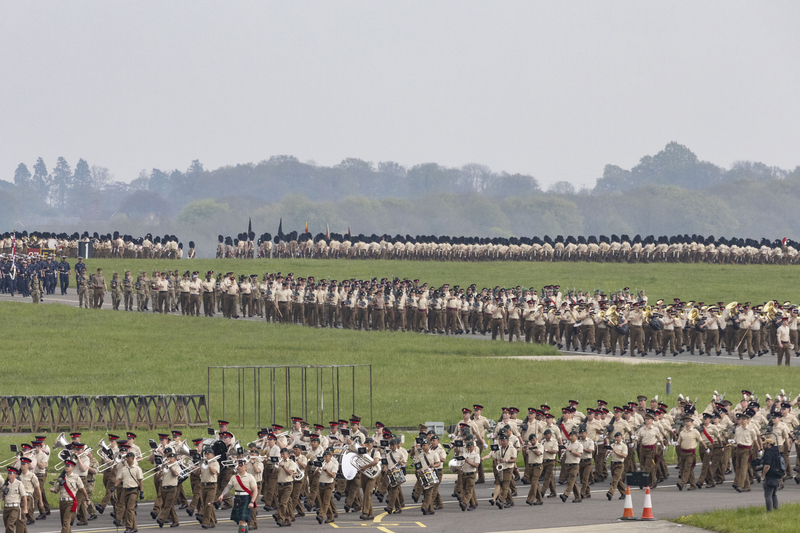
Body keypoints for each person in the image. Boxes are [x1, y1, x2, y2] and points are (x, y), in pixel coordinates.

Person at [217, 460, 258, 533]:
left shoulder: (250, 477)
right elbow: (228, 487)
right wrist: (222, 495)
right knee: (242, 521)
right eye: (238, 466)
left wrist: (252, 501)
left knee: (242, 521)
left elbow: (255, 491)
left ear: (245, 467)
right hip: (237, 500)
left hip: (246, 499)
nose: (238, 467)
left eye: (240, 466)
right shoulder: (234, 477)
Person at [114, 452, 143, 533]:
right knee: (127, 508)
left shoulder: (137, 469)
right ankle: (134, 527)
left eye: (129, 458)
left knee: (129, 509)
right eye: (126, 458)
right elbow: (120, 479)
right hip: (125, 490)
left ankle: (128, 527)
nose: (127, 459)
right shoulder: (124, 469)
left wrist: (142, 491)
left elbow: (140, 481)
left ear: (133, 459)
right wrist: (115, 486)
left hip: (133, 491)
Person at [2, 466, 27, 533]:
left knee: (10, 524)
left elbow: (24, 496)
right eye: (8, 473)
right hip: (6, 507)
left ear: (15, 474)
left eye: (11, 473)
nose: (9, 475)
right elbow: (3, 495)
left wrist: (25, 508)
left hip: (15, 508)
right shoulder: (6, 484)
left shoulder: (19, 484)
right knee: (7, 525)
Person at [761, 437, 782, 511]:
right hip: (778, 475)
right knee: (774, 494)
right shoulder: (778, 452)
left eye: (764, 444)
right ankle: (776, 509)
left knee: (768, 495)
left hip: (770, 475)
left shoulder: (769, 453)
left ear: (768, 444)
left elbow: (767, 465)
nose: (763, 446)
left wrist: (763, 474)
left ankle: (769, 511)